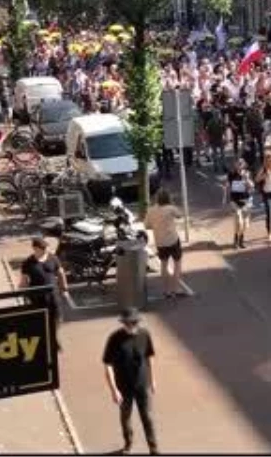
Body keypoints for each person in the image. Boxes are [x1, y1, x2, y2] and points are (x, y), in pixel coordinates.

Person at [103, 308, 158, 455]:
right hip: (123, 388)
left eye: (134, 323)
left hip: (142, 384)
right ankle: (128, 444)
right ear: (123, 323)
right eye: (128, 323)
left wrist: (153, 380)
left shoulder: (144, 334)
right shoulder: (114, 339)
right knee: (125, 417)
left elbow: (149, 356)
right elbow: (107, 365)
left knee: (147, 417)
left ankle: (153, 449)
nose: (131, 326)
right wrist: (114, 390)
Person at [19, 236, 68, 352]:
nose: (45, 250)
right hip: (37, 297)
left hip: (53, 295)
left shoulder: (53, 258)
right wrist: (23, 295)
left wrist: (64, 288)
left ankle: (53, 336)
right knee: (41, 321)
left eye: (45, 247)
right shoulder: (28, 263)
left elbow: (61, 273)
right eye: (42, 248)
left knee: (57, 318)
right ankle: (48, 341)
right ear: (35, 248)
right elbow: (24, 281)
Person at [144, 189, 185, 298]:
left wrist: (157, 225)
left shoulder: (151, 210)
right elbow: (180, 215)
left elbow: (147, 226)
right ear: (168, 198)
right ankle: (176, 289)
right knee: (177, 264)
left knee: (164, 265)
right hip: (173, 240)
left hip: (160, 242)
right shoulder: (170, 208)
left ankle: (166, 291)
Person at [225, 157, 253, 249]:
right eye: (238, 163)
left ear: (244, 165)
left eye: (241, 163)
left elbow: (252, 187)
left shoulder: (247, 174)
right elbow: (227, 186)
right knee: (239, 221)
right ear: (235, 165)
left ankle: (241, 239)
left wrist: (246, 179)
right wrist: (226, 192)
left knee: (245, 224)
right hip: (235, 200)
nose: (239, 165)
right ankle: (236, 239)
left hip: (246, 201)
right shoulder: (231, 174)